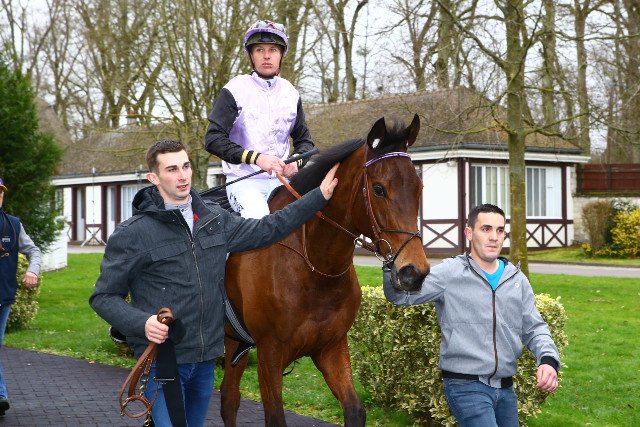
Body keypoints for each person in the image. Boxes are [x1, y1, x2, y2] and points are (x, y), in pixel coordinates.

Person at [89, 140, 338, 427]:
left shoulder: (214, 219)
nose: (182, 176)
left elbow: (269, 228)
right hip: (163, 361)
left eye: (186, 166)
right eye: (172, 169)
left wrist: (318, 196)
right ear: (153, 178)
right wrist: (142, 322)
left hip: (205, 361)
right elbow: (103, 297)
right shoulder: (133, 234)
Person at [383, 204, 560, 427]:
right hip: (465, 386)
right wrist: (390, 262)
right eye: (486, 229)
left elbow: (535, 328)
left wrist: (548, 360)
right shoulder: (450, 272)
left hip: (506, 389)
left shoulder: (516, 279)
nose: (494, 237)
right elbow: (401, 296)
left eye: (499, 230)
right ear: (469, 233)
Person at [204, 19, 314, 219]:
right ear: (251, 55)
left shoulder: (291, 93)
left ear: (281, 55)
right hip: (244, 181)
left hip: (281, 181)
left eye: (273, 50)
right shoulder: (235, 89)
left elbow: (305, 141)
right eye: (259, 50)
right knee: (259, 218)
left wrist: (296, 162)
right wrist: (257, 158)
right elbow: (213, 139)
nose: (266, 56)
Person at [0, 177, 42, 416]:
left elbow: (33, 250)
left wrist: (32, 270)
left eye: (0, 192)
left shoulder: (13, 224)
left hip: (3, 298)